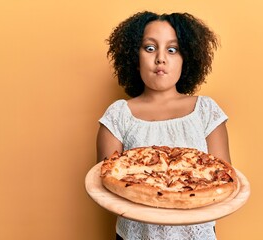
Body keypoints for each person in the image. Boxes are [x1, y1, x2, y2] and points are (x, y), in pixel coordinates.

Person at [97, 11, 231, 240]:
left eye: (172, 49)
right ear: (134, 57)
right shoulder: (118, 114)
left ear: (186, 58)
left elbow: (223, 181)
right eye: (150, 48)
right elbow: (107, 187)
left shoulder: (206, 110)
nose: (161, 58)